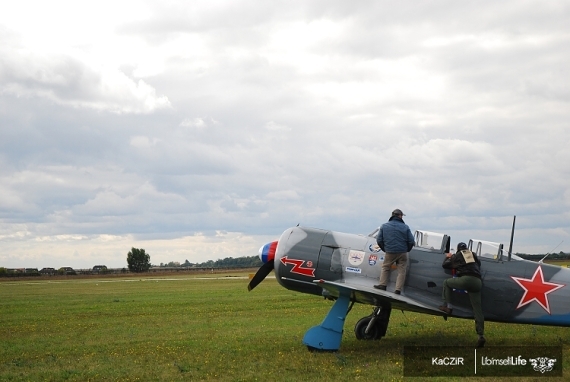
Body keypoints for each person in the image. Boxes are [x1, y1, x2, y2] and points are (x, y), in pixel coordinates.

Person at [439, 242, 486, 348]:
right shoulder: (473, 254)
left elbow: (445, 265)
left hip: (466, 279)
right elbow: (478, 264)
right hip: (477, 282)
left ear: (458, 249)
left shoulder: (458, 255)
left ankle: (448, 307)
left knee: (447, 282)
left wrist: (448, 257)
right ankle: (481, 335)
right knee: (477, 310)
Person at [373, 208, 415, 295]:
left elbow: (379, 240)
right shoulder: (406, 227)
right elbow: (411, 241)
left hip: (390, 251)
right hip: (403, 252)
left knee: (385, 267)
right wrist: (407, 250)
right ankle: (398, 290)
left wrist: (385, 249)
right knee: (402, 271)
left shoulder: (384, 226)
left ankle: (383, 285)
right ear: (399, 216)